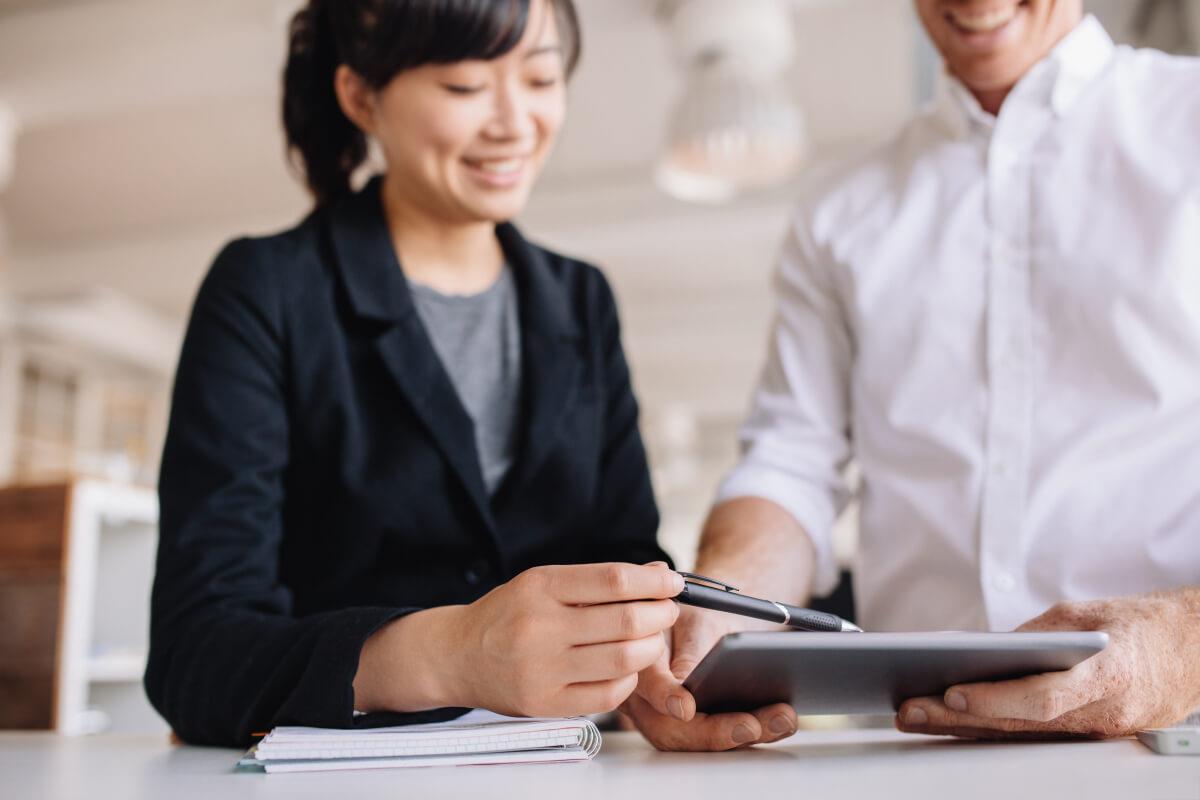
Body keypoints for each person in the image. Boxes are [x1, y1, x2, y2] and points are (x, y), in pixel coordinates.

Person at [625, 0, 1200, 749]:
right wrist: (723, 612)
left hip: (1177, 744)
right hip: (916, 752)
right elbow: (790, 465)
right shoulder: (839, 214)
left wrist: (1185, 644)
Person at [144, 0, 684, 747]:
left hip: (566, 771)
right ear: (362, 96)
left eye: (540, 78)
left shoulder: (581, 301)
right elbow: (193, 653)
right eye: (465, 86)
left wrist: (663, 665)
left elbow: (631, 558)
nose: (514, 122)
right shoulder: (267, 289)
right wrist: (455, 655)